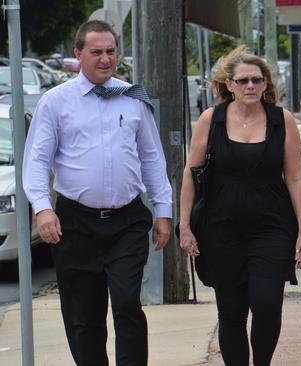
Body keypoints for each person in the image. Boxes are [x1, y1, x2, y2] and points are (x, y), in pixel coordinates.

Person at [23, 20, 172, 365]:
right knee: (84, 317)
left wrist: (163, 211)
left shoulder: (132, 96)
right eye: (96, 52)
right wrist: (43, 209)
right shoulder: (55, 102)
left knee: (126, 303)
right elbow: (36, 161)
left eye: (111, 51)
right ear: (78, 55)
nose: (105, 59)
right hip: (76, 223)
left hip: (127, 221)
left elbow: (152, 157)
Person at [178, 45, 301, 366]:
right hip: (220, 228)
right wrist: (184, 225)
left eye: (256, 79)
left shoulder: (282, 121)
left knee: (266, 303)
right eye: (243, 81)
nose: (250, 86)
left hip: (272, 227)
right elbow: (191, 173)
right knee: (231, 312)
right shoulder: (212, 120)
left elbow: (294, 177)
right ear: (229, 85)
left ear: (266, 84)